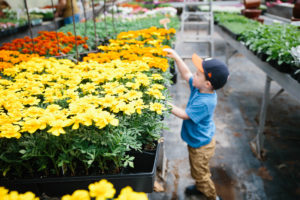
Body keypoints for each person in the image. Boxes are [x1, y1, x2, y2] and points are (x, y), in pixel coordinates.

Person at [164, 48, 229, 200]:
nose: (194, 74)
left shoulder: (205, 102)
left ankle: (211, 196)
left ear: (207, 83)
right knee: (197, 170)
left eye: (198, 74)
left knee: (201, 174)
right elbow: (186, 74)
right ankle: (200, 188)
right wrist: (177, 58)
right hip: (197, 140)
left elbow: (185, 115)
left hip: (201, 146)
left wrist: (163, 103)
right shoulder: (201, 88)